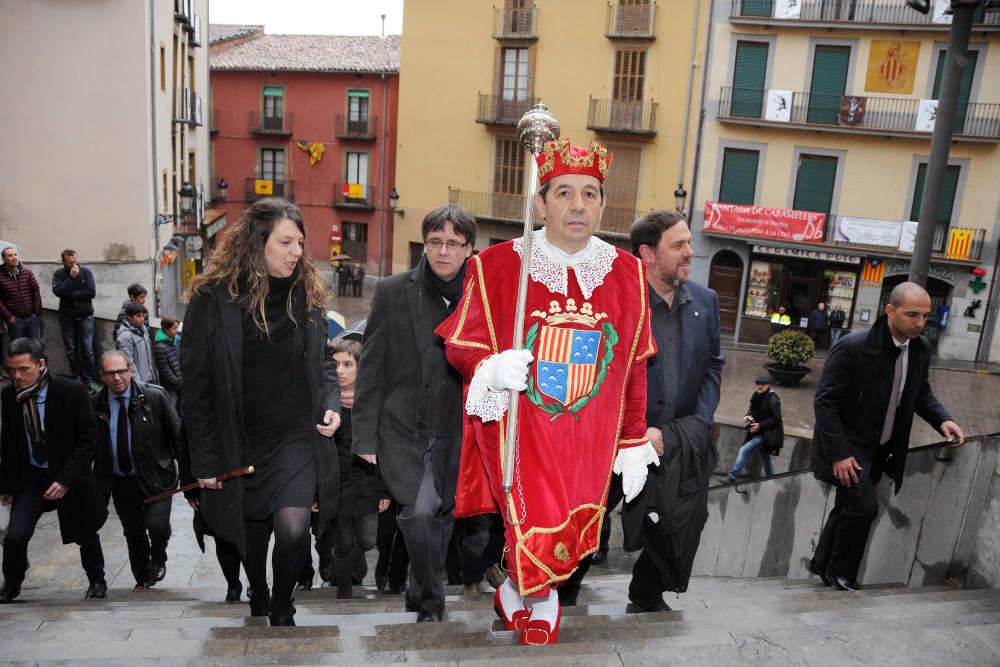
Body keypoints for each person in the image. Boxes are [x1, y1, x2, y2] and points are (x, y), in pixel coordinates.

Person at [437, 138, 657, 645]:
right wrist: (490, 368)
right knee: (532, 515)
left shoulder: (628, 274)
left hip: (590, 438)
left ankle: (513, 591)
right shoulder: (496, 265)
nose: (578, 205)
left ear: (603, 204)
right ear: (540, 204)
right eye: (563, 193)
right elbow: (461, 343)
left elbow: (635, 366)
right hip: (523, 429)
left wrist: (632, 438)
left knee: (571, 525)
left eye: (589, 194)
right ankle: (544, 600)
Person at [181, 197, 341, 627]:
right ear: (257, 242)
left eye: (300, 242)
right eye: (286, 242)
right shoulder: (213, 299)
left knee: (292, 529)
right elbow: (195, 387)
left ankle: (283, 605)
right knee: (250, 533)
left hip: (295, 436)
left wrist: (330, 404)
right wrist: (204, 461)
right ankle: (259, 590)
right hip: (240, 438)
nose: (296, 252)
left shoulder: (307, 294)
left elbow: (324, 360)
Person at [352, 203, 477, 623]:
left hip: (461, 428)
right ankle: (432, 600)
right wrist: (365, 437)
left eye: (453, 243)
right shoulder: (392, 291)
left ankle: (419, 589)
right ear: (424, 245)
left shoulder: (483, 295)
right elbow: (370, 367)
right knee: (419, 513)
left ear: (469, 248)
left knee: (445, 518)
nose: (443, 251)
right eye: (435, 242)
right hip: (405, 428)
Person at [810, 281, 965, 592]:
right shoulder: (853, 346)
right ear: (890, 311)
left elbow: (921, 393)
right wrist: (839, 453)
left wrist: (943, 420)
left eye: (925, 316)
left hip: (882, 448)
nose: (920, 323)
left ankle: (821, 563)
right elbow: (825, 402)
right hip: (849, 446)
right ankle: (841, 574)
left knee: (849, 506)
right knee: (864, 507)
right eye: (912, 314)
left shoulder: (920, 349)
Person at [619, 210, 724, 612]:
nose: (690, 252)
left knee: (685, 519)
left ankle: (647, 592)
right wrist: (635, 430)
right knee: (590, 520)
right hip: (623, 441)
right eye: (678, 245)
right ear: (647, 254)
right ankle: (563, 595)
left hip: (681, 439)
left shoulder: (705, 301)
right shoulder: (619, 300)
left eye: (689, 243)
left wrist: (698, 422)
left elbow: (713, 365)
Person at [0, 338, 108, 602]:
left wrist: (65, 480)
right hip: (31, 476)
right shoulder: (9, 395)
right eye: (12, 370)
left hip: (68, 475)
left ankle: (97, 581)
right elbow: (9, 443)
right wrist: (6, 485)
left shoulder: (71, 391)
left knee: (85, 532)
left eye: (23, 369)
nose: (17, 376)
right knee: (15, 536)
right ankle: (12, 584)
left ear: (40, 364)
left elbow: (88, 440)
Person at [92, 350, 181, 590]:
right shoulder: (95, 403)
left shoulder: (155, 396)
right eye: (110, 373)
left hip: (157, 476)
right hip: (121, 480)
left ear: (130, 370)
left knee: (158, 526)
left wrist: (188, 473)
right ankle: (142, 577)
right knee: (133, 531)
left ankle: (159, 556)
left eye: (121, 371)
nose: (116, 378)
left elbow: (177, 435)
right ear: (102, 376)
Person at [320, 333, 391, 599]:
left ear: (361, 367)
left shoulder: (373, 404)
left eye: (348, 364)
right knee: (343, 540)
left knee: (366, 540)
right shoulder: (326, 405)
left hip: (367, 482)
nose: (340, 370)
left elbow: (385, 450)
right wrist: (316, 492)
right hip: (337, 483)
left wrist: (384, 490)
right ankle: (344, 590)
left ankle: (358, 556)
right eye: (336, 364)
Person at [52, 249, 98, 393]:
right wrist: (71, 279)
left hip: (85, 316)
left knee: (88, 350)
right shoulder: (59, 274)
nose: (73, 265)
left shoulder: (86, 272)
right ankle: (77, 377)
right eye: (70, 262)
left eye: (75, 261)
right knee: (71, 349)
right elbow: (58, 292)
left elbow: (91, 292)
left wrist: (69, 294)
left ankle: (89, 379)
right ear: (63, 262)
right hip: (67, 316)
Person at [727, 376, 783, 481]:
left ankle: (731, 478)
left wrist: (760, 425)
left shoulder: (773, 399)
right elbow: (752, 408)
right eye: (758, 384)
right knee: (765, 458)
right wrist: (747, 415)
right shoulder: (757, 395)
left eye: (762, 384)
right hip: (755, 432)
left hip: (765, 434)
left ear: (768, 385)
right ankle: (772, 479)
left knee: (744, 451)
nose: (759, 386)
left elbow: (776, 419)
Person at [0, 247, 42, 343]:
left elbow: (36, 292)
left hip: (32, 318)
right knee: (18, 348)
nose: (14, 257)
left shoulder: (27, 272)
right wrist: (8, 317)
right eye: (10, 255)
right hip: (15, 320)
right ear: (3, 259)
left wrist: (36, 313)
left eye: (15, 254)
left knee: (35, 346)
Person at [116, 302, 157, 384]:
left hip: (149, 377)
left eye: (143, 316)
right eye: (138, 316)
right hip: (139, 381)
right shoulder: (125, 337)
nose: (142, 319)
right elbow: (128, 362)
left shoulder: (143, 329)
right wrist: (138, 383)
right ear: (129, 317)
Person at [153, 316, 183, 413]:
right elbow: (164, 369)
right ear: (166, 329)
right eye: (174, 328)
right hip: (170, 385)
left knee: (182, 408)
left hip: (181, 381)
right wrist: (177, 382)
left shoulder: (177, 340)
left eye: (177, 328)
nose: (176, 331)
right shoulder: (160, 347)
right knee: (171, 408)